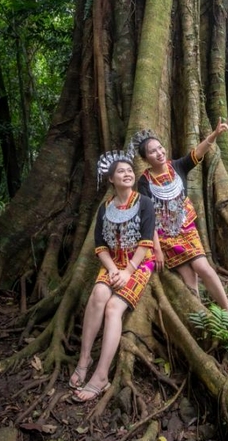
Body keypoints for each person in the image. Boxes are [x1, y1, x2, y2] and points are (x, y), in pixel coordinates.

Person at [132, 119, 228, 334]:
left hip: (186, 229)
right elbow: (148, 218)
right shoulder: (144, 181)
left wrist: (214, 134)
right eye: (152, 151)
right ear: (146, 158)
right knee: (188, 279)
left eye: (160, 148)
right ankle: (202, 317)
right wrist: (156, 249)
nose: (158, 153)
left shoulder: (177, 166)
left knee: (203, 267)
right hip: (165, 236)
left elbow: (198, 152)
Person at [69, 151, 155, 402]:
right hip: (112, 264)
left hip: (139, 265)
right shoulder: (105, 208)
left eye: (130, 170)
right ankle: (84, 359)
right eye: (121, 171)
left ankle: (101, 375)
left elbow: (147, 242)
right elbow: (99, 245)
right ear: (111, 179)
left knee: (113, 307)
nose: (127, 173)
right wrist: (114, 269)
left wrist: (128, 271)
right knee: (98, 295)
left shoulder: (144, 202)